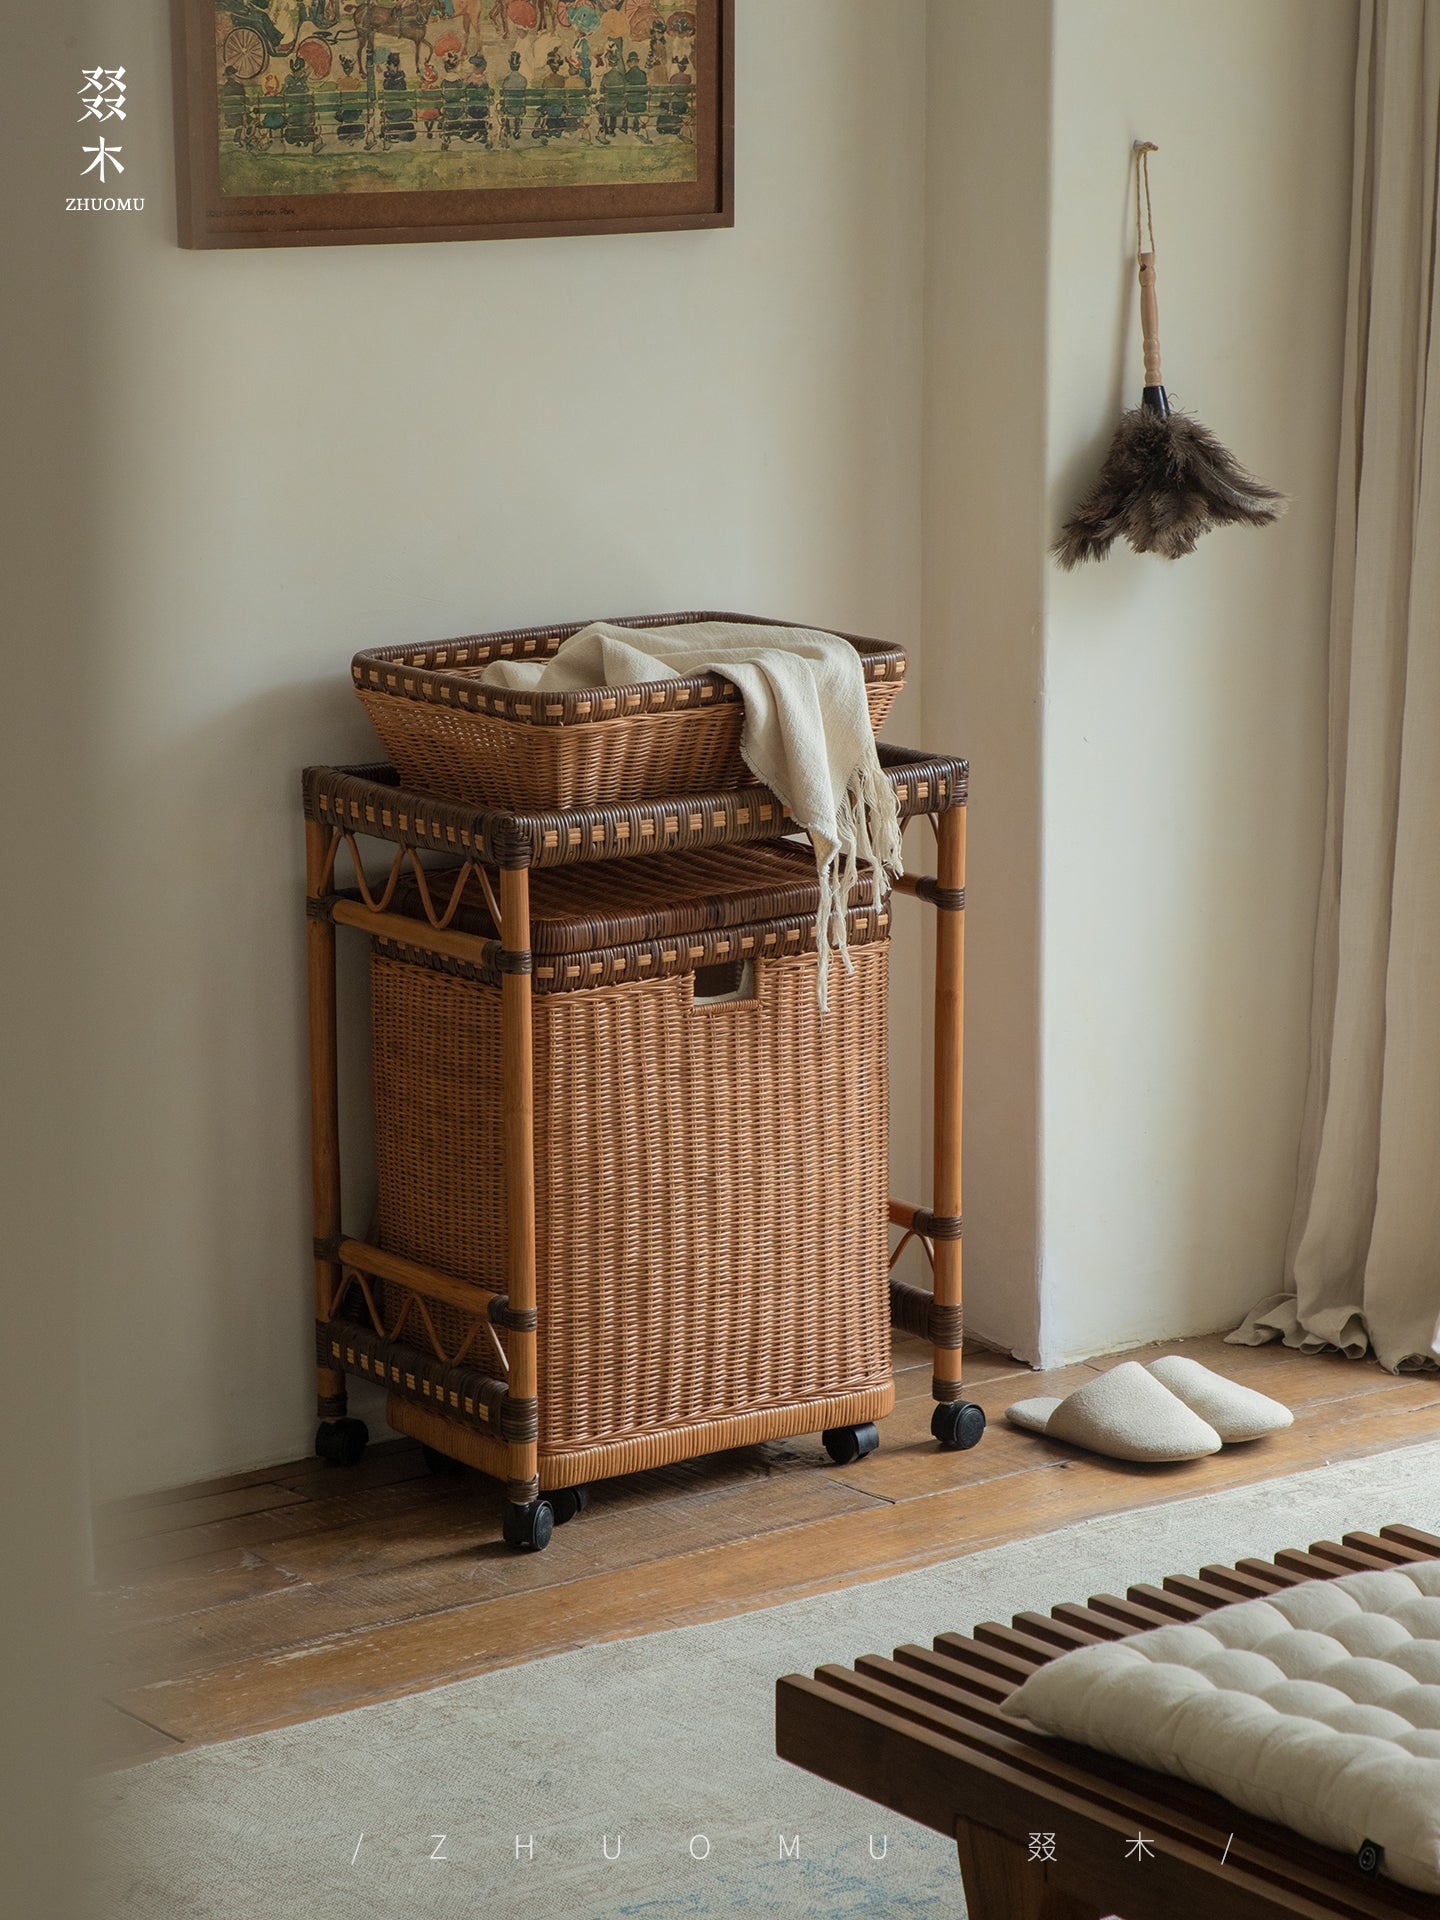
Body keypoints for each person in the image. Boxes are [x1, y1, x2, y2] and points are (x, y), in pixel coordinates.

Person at [499, 48, 528, 142]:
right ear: (519, 65)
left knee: (506, 104)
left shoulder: (507, 79)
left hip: (509, 108)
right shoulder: (523, 79)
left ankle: (507, 129)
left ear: (510, 65)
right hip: (519, 108)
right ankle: (517, 128)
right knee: (517, 103)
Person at [462, 52, 492, 143]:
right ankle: (481, 133)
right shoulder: (485, 79)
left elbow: (465, 92)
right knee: (481, 110)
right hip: (483, 109)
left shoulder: (469, 79)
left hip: (472, 109)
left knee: (472, 109)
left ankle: (474, 132)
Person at [622, 47, 649, 137]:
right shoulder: (643, 74)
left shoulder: (627, 75)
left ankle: (624, 126)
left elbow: (624, 92)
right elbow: (645, 91)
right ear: (637, 62)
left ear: (630, 63)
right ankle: (635, 124)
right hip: (642, 106)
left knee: (627, 99)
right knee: (636, 97)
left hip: (631, 106)